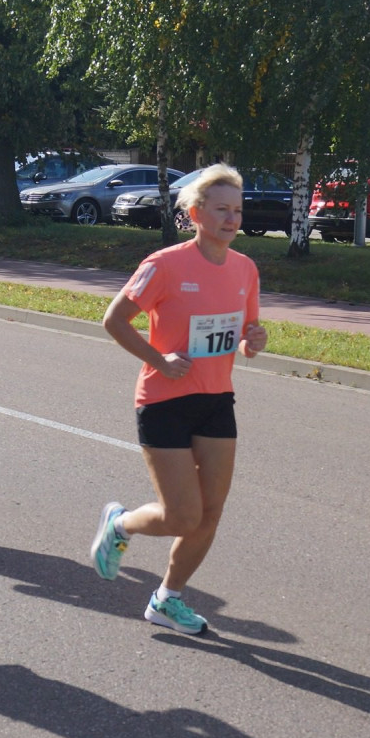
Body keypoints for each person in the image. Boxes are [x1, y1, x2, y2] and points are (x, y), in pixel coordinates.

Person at [91, 164, 268, 634]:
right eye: (221, 209)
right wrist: (160, 358)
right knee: (182, 515)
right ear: (195, 213)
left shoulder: (245, 268)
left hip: (216, 398)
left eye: (237, 210)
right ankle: (122, 525)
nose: (232, 219)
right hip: (164, 399)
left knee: (210, 513)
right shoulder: (164, 265)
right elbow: (115, 321)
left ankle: (167, 599)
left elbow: (244, 337)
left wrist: (254, 339)